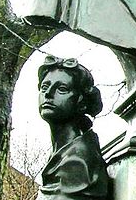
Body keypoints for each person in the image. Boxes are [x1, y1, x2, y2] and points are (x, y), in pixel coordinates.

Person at [38, 55, 109, 200]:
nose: (48, 94)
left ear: (81, 103)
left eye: (62, 89)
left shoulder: (79, 162)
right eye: (44, 87)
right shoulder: (63, 155)